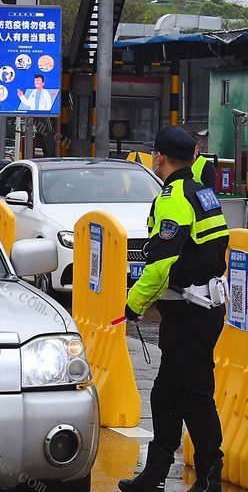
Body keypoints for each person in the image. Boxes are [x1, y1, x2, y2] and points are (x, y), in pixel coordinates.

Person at [119, 126, 229, 492]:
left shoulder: (174, 196)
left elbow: (162, 263)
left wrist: (132, 305)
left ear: (159, 157)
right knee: (166, 393)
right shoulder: (203, 193)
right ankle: (155, 475)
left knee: (194, 395)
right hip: (200, 308)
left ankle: (210, 477)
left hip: (190, 312)